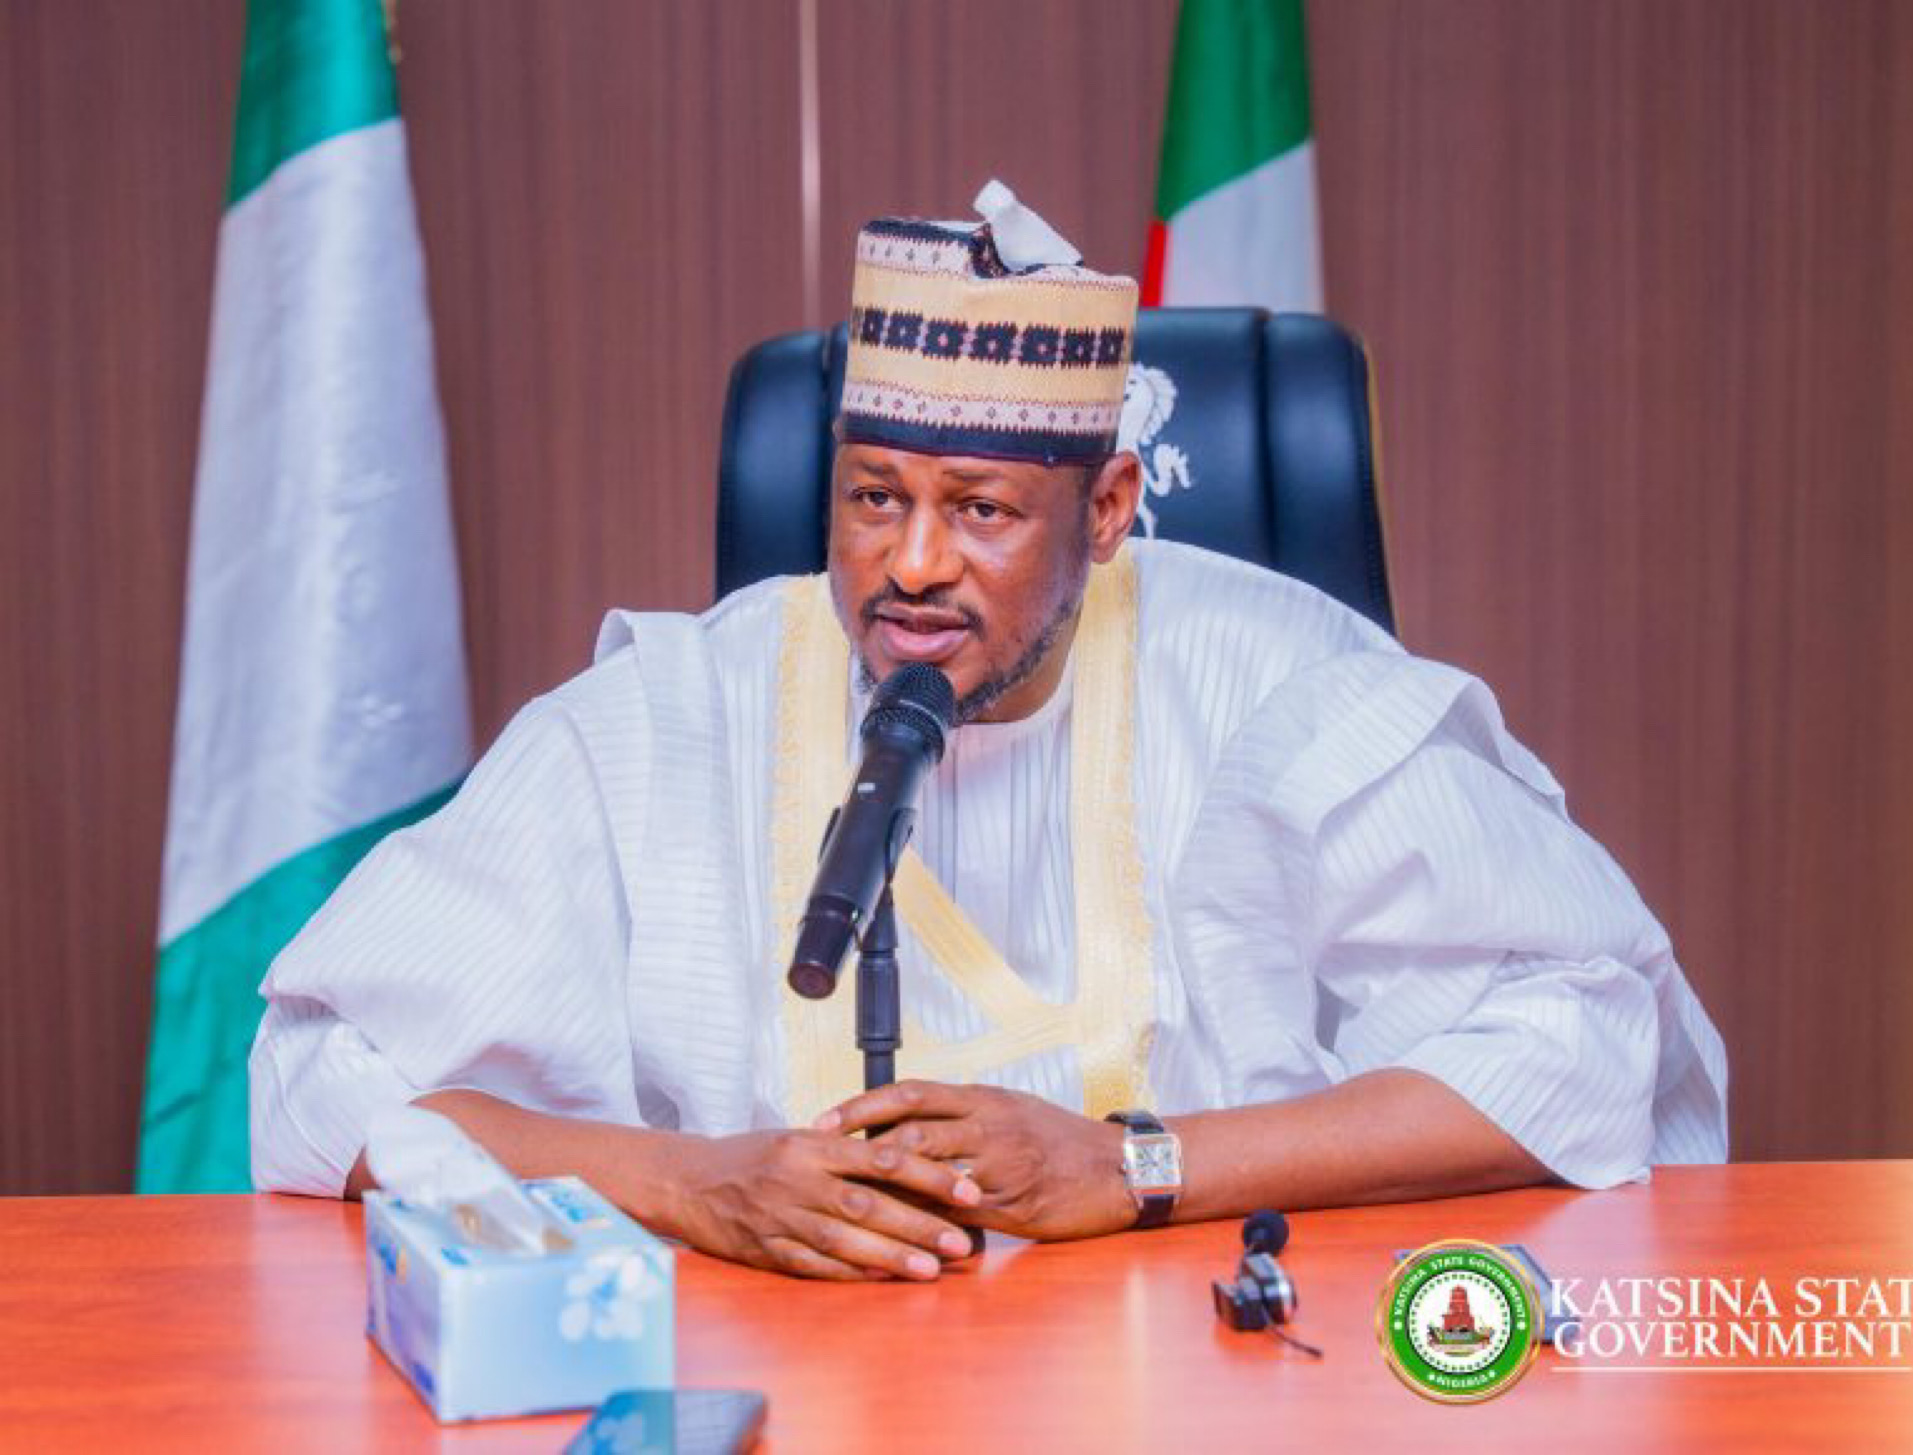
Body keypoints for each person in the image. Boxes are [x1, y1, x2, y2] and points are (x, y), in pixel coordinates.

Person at [251, 184, 1728, 1282]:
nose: (909, 566)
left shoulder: (1281, 681)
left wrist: (1138, 1167)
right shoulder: (668, 712)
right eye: (874, 498)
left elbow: (1586, 1030)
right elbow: (323, 1076)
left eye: (980, 510)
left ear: (1107, 510)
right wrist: (691, 1185)